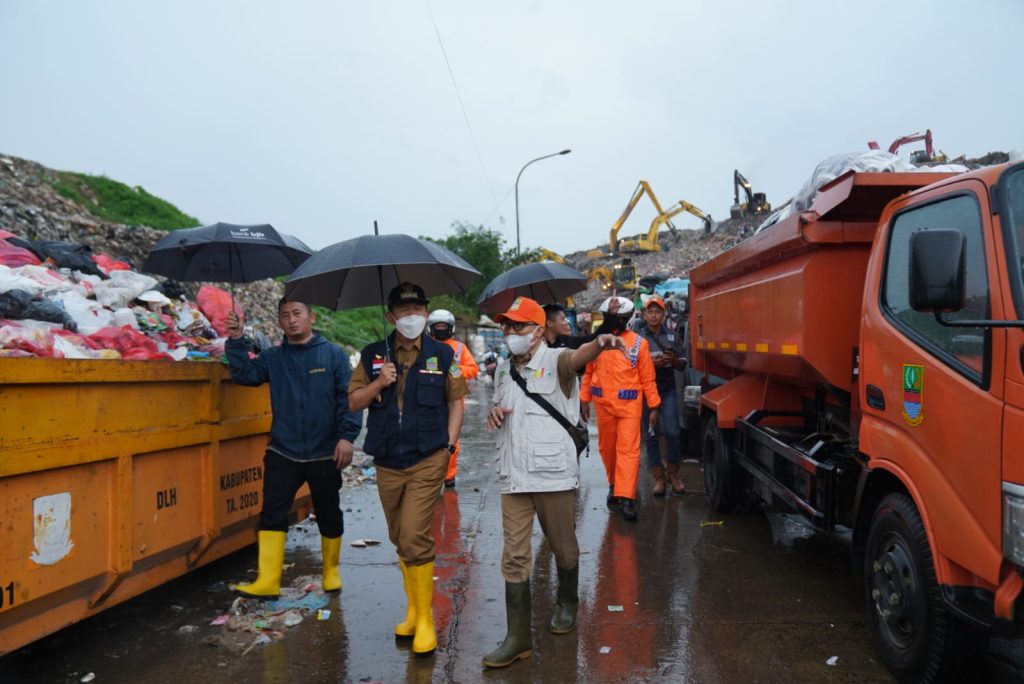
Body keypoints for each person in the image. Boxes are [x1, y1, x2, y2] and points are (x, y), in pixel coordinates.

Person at [483, 296, 626, 668]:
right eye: (506, 325)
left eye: (518, 325)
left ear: (537, 331)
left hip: (552, 475)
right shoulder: (502, 369)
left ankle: (567, 602)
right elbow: (501, 404)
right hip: (514, 475)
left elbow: (578, 357)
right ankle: (518, 638)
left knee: (563, 548)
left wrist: (599, 343)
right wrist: (494, 412)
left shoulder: (556, 360)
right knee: (514, 556)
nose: (510, 332)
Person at [347, 282, 467, 657]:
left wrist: (448, 447)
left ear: (426, 313)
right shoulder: (372, 355)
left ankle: (426, 619)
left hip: (427, 457)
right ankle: (413, 611)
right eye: (404, 310)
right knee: (400, 537)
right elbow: (353, 402)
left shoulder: (442, 354)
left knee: (415, 534)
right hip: (387, 459)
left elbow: (457, 402)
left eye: (418, 309)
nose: (412, 316)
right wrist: (379, 383)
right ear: (391, 316)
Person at [224, 299, 362, 598]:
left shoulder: (333, 354)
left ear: (312, 317)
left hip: (325, 451)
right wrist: (236, 340)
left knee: (328, 512)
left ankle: (331, 572)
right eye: (285, 315)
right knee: (272, 513)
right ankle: (268, 581)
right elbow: (246, 375)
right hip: (283, 451)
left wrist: (347, 437)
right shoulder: (273, 357)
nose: (292, 320)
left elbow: (349, 398)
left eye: (297, 314)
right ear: (279, 322)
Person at [581, 296, 660, 521]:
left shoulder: (639, 344)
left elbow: (647, 379)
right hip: (603, 407)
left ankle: (626, 498)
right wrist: (584, 399)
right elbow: (588, 373)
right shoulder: (599, 343)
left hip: (629, 408)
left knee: (628, 452)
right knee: (607, 449)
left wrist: (654, 406)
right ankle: (614, 485)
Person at [635, 295, 687, 496]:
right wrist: (651, 364)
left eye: (657, 311)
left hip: (667, 391)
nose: (654, 315)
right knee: (651, 434)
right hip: (646, 392)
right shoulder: (638, 338)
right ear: (645, 315)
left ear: (664, 314)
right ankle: (658, 477)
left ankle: (673, 474)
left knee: (673, 431)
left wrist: (673, 361)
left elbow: (682, 365)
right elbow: (630, 365)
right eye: (650, 311)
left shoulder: (673, 337)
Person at [426, 308, 479, 488]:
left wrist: (453, 369)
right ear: (431, 328)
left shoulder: (459, 348)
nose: (441, 330)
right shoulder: (424, 346)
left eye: (444, 326)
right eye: (438, 326)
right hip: (428, 400)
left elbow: (473, 369)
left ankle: (449, 476)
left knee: (451, 441)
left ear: (451, 328)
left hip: (453, 402)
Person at [542, 302, 613, 349]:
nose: (566, 322)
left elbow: (592, 338)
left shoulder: (567, 341)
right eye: (562, 319)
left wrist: (610, 315)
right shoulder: (538, 346)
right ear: (549, 323)